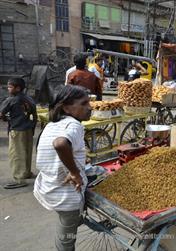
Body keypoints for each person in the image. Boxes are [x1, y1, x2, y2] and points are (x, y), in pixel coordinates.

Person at [34, 85, 92, 251]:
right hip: (65, 196)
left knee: (66, 222)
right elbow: (60, 144)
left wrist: (78, 160)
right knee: (66, 240)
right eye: (83, 104)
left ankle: (74, 219)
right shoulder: (74, 125)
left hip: (48, 186)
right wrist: (74, 172)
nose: (90, 108)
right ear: (66, 107)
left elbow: (53, 151)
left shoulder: (53, 124)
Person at [0, 78, 37, 189]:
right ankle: (26, 172)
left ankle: (19, 179)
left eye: (10, 87)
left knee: (16, 154)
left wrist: (6, 119)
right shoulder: (29, 98)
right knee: (27, 152)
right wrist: (33, 126)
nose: (8, 89)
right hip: (28, 129)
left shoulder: (11, 100)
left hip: (17, 130)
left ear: (18, 88)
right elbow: (34, 114)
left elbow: (1, 114)